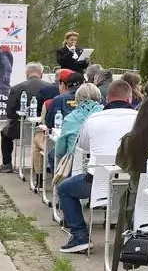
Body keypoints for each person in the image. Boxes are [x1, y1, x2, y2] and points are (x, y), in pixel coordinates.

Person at [58, 79, 141, 253]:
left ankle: (80, 236)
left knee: (64, 189)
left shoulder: (93, 119)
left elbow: (84, 146)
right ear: (130, 98)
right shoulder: (140, 119)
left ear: (106, 98)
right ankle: (135, 235)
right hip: (134, 185)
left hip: (98, 183)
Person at [2, 62, 56, 172]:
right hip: (44, 130)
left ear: (26, 74)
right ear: (42, 74)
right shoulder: (51, 88)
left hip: (20, 129)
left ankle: (7, 164)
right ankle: (49, 164)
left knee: (5, 133)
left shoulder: (16, 88)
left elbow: (10, 112)